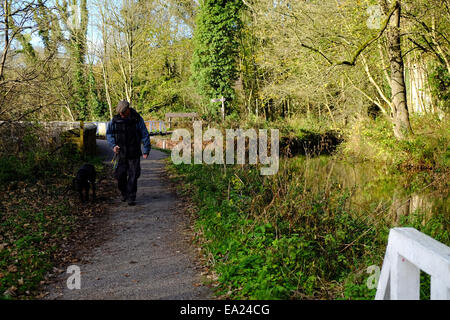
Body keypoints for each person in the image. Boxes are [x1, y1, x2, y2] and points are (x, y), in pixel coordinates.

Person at [106, 100, 151, 206]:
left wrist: (146, 150)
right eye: (120, 113)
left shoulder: (137, 119)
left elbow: (144, 134)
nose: (121, 115)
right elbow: (109, 134)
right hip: (121, 153)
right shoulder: (115, 120)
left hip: (134, 152)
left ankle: (131, 196)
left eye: (123, 112)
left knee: (134, 174)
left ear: (128, 110)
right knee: (120, 175)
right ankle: (124, 193)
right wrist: (113, 145)